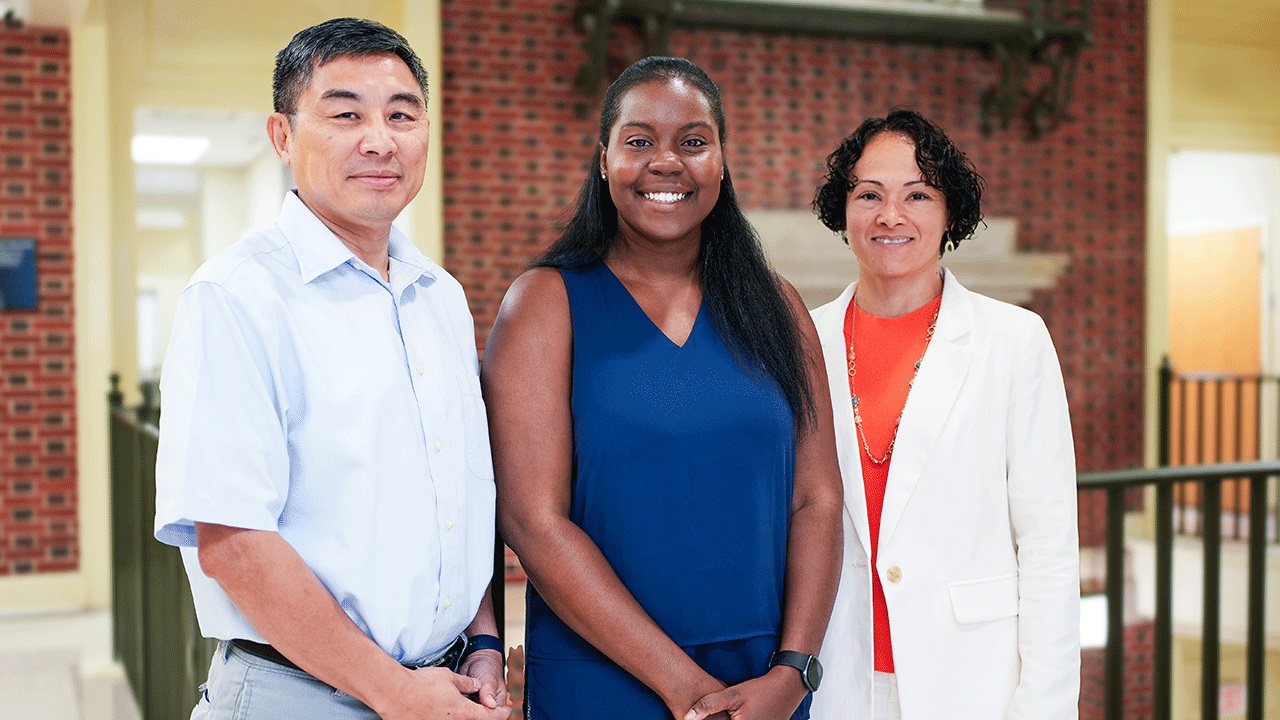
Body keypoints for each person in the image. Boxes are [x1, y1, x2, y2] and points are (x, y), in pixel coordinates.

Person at [153, 18, 509, 720]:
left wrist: (484, 640)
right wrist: (399, 694)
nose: (379, 139)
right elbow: (234, 544)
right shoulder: (236, 297)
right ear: (283, 137)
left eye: (402, 115)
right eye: (345, 114)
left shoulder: (441, 296)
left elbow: (458, 502)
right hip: (301, 696)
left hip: (444, 690)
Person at [481, 56, 843, 720]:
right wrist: (688, 688)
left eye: (693, 141)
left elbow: (817, 500)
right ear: (603, 159)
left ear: (722, 162)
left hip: (761, 683)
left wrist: (795, 671)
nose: (667, 162)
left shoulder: (777, 305)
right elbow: (533, 521)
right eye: (640, 140)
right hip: (604, 674)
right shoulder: (545, 302)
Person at [805, 109, 1080, 720]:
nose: (890, 216)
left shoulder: (1014, 340)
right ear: (841, 209)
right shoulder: (803, 342)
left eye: (918, 195)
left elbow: (1048, 545)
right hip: (834, 675)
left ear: (950, 212)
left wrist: (1046, 707)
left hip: (970, 677)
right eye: (868, 194)